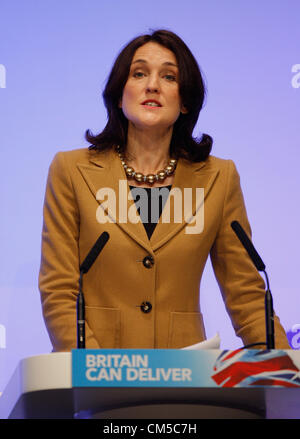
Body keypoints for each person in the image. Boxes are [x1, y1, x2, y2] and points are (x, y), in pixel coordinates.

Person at [38, 29, 290, 352]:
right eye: (139, 73)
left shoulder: (219, 178)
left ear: (185, 101)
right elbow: (59, 291)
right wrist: (98, 370)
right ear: (119, 94)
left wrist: (286, 372)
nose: (152, 85)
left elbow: (246, 294)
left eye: (169, 76)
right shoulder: (70, 171)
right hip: (100, 379)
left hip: (185, 381)